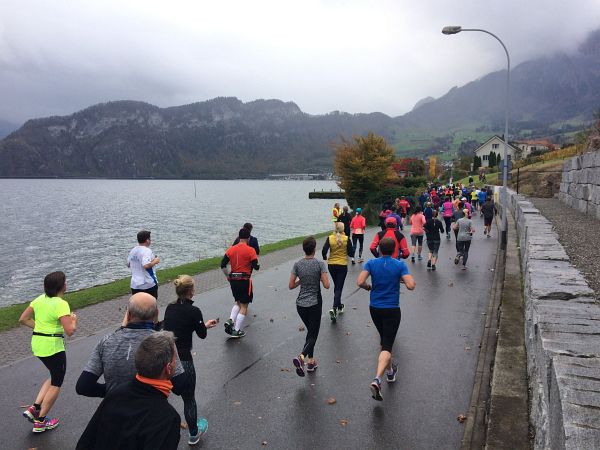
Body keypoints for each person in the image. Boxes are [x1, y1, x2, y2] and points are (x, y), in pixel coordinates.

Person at [76, 332, 181, 450]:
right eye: (175, 359)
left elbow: (86, 442)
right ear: (168, 368)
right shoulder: (167, 419)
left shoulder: (115, 393)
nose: (176, 362)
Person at [76, 292, 185, 398]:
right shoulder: (163, 342)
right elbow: (180, 385)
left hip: (113, 409)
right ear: (156, 313)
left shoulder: (107, 341)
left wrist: (111, 391)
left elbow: (83, 386)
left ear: (128, 314)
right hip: (151, 410)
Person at [356, 238, 416, 401]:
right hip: (391, 309)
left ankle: (390, 372)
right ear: (394, 250)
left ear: (380, 249)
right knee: (387, 346)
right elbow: (411, 285)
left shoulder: (371, 263)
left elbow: (360, 281)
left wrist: (369, 287)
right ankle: (377, 379)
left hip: (374, 308)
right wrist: (400, 279)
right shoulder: (399, 265)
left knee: (384, 342)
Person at [19, 271, 77, 433]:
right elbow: (70, 331)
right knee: (57, 382)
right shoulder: (61, 303)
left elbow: (23, 319)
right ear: (61, 286)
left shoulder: (39, 299)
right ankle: (41, 421)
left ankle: (35, 408)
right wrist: (73, 320)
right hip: (53, 347)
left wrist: (40, 328)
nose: (67, 283)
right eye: (66, 281)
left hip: (38, 345)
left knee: (53, 375)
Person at [163, 275, 218, 445]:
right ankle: (193, 434)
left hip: (165, 360)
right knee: (189, 399)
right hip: (183, 360)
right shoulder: (194, 311)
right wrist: (203, 326)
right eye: (193, 288)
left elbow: (175, 327)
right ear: (190, 291)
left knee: (161, 397)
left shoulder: (169, 308)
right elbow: (202, 335)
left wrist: (201, 325)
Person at [289, 236, 330, 376]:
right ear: (314, 248)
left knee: (310, 332)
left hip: (300, 304)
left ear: (304, 249)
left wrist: (302, 280)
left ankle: (311, 362)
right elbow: (327, 285)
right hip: (314, 303)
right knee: (313, 333)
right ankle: (301, 357)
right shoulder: (319, 264)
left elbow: (291, 285)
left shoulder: (297, 264)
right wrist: (318, 276)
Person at [221, 228, 260, 338]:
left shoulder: (231, 249)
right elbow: (256, 267)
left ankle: (231, 320)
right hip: (244, 280)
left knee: (238, 302)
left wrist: (228, 276)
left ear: (239, 237)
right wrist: (257, 265)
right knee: (244, 306)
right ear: (248, 238)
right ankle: (237, 330)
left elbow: (222, 264)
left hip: (233, 280)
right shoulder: (250, 250)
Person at [322, 222, 354, 323]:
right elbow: (351, 252)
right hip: (342, 265)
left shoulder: (330, 238)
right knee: (339, 287)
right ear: (343, 229)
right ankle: (334, 308)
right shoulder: (346, 239)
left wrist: (325, 257)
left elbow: (324, 250)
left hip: (331, 265)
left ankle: (339, 306)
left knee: (337, 286)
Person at [127, 230, 160, 299]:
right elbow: (145, 265)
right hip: (148, 284)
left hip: (135, 285)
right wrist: (155, 261)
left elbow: (128, 264)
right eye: (150, 239)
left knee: (138, 306)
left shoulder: (133, 250)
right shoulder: (147, 250)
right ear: (147, 240)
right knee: (150, 306)